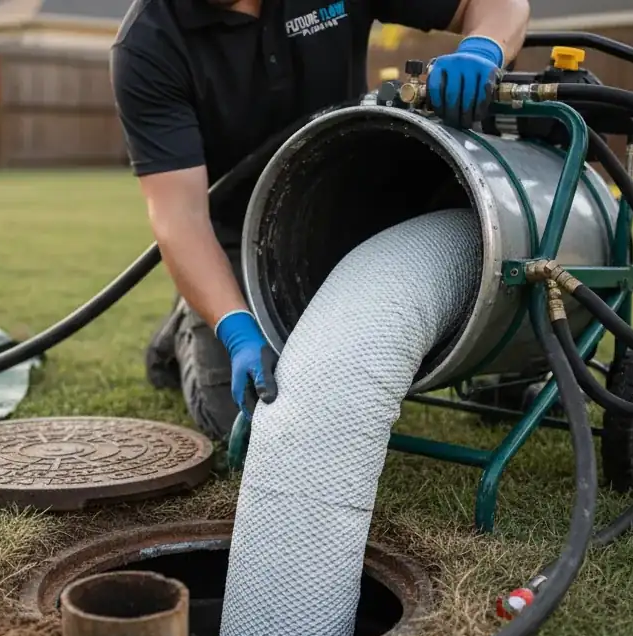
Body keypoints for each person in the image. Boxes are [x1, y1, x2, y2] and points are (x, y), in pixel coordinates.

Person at [111, 0, 531, 440]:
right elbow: (181, 218)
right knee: (250, 420)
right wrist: (236, 330)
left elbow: (499, 4)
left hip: (360, 213)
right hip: (245, 244)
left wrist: (483, 48)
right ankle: (198, 316)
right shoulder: (148, 46)